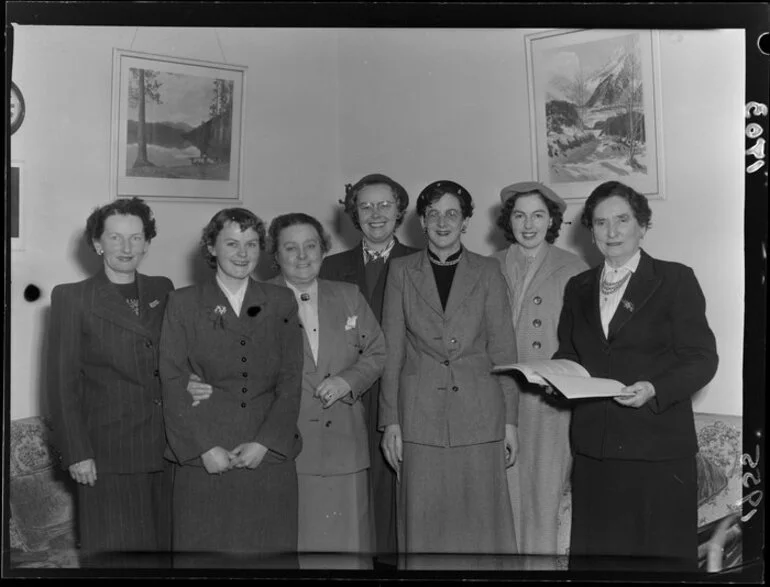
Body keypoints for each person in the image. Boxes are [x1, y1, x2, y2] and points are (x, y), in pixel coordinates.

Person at [553, 181, 718, 572]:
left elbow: (702, 358)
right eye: (600, 222)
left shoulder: (675, 279)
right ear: (590, 232)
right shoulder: (577, 287)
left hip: (658, 454)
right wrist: (554, 376)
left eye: (622, 220)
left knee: (658, 569)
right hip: (597, 453)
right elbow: (569, 354)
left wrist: (655, 389)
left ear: (642, 225)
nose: (612, 231)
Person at [379, 180, 520, 563]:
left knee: (482, 522)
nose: (443, 222)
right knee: (424, 522)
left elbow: (504, 350)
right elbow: (391, 351)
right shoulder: (401, 271)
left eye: (452, 214)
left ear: (466, 222)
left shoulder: (488, 271)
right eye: (434, 214)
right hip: (419, 414)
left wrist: (510, 422)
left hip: (480, 413)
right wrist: (391, 421)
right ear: (422, 222)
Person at [160, 208, 304, 568]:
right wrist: (203, 448)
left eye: (252, 244)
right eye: (232, 243)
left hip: (267, 456)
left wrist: (266, 442)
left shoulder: (282, 301)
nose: (242, 254)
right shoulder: (183, 302)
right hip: (205, 456)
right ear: (211, 247)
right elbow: (173, 378)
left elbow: (291, 379)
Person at [48, 197, 174, 567]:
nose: (126, 247)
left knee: (165, 558)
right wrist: (77, 452)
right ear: (97, 243)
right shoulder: (73, 297)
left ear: (147, 243)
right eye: (115, 238)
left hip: (167, 449)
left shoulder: (164, 289)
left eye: (136, 238)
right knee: (116, 562)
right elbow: (61, 382)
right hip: (107, 455)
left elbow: (177, 359)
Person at [267, 212, 387, 569]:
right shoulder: (260, 300)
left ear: (323, 251)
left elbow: (378, 351)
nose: (303, 256)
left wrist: (348, 380)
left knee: (347, 554)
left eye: (311, 246)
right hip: (288, 449)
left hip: (345, 449)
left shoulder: (348, 295)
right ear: (275, 255)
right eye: (291, 248)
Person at [318, 173, 418, 563]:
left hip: (402, 393)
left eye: (385, 205)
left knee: (397, 487)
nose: (375, 214)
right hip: (348, 395)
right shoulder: (330, 266)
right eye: (365, 206)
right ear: (354, 214)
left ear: (400, 211)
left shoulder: (419, 262)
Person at [491, 181, 588, 558]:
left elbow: (584, 340)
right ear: (508, 220)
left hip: (550, 402)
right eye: (519, 215)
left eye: (538, 215)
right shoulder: (490, 264)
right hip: (500, 395)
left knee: (543, 498)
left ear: (552, 220)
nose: (528, 224)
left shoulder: (574, 268)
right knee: (504, 494)